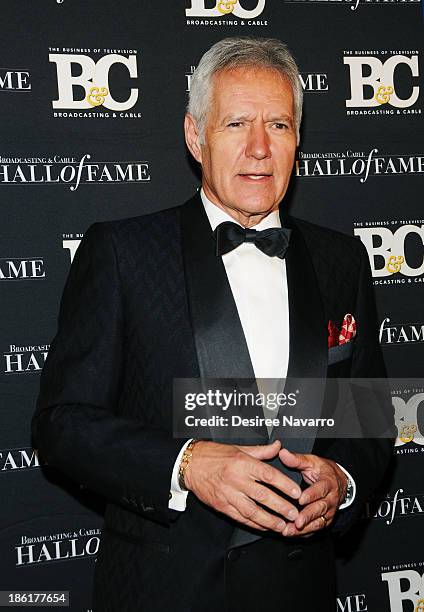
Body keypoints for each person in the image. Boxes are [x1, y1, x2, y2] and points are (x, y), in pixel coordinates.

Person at [32, 37, 394, 612]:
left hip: (302, 589)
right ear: (195, 136)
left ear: (298, 139)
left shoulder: (340, 261)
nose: (258, 148)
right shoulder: (123, 253)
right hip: (165, 589)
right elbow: (62, 424)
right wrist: (187, 464)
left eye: (277, 125)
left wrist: (343, 479)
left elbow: (371, 417)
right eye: (236, 124)